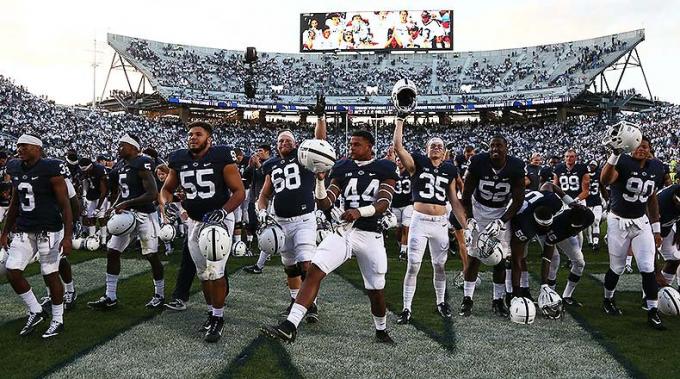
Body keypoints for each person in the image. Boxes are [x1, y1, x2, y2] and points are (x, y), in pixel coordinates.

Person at [261, 129, 397, 344]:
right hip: (344, 230)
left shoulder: (385, 167)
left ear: (370, 146)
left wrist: (359, 212)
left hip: (370, 234)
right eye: (350, 143)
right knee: (314, 269)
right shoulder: (342, 167)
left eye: (357, 144)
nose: (351, 148)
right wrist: (320, 180)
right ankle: (290, 325)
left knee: (376, 289)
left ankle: (381, 329)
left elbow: (383, 202)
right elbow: (326, 202)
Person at [161, 121, 245, 342]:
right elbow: (166, 189)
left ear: (209, 139)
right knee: (203, 273)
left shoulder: (221, 156)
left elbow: (239, 192)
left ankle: (218, 318)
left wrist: (223, 211)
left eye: (198, 134)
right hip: (196, 222)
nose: (192, 137)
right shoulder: (179, 159)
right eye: (190, 134)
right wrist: (166, 204)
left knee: (216, 270)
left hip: (219, 221)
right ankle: (211, 312)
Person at [253, 94, 327, 320]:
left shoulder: (304, 157)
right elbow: (264, 195)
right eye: (280, 141)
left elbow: (319, 142)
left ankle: (311, 304)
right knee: (290, 266)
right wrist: (262, 213)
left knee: (306, 263)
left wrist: (320, 117)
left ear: (295, 144)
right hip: (281, 221)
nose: (283, 143)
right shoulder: (271, 164)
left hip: (304, 218)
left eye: (287, 140)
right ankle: (296, 301)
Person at [393, 115, 467, 324]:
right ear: (427, 149)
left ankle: (441, 302)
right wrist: (400, 120)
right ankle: (407, 308)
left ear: (444, 152)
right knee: (413, 264)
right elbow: (398, 147)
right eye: (432, 145)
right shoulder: (418, 163)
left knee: (439, 265)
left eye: (439, 146)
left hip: (440, 222)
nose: (435, 148)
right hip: (420, 220)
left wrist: (466, 225)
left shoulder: (450, 168)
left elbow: (454, 199)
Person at [1, 134, 73, 338]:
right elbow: (15, 202)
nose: (19, 148)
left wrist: (68, 236)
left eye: (24, 145)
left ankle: (58, 319)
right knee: (12, 270)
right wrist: (5, 231)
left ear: (37, 148)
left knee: (50, 274)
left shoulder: (51, 168)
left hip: (49, 230)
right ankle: (36, 310)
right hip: (25, 228)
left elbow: (65, 205)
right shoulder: (14, 167)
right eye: (18, 145)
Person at [88, 134, 165, 310]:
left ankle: (159, 294)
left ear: (133, 147)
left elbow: (152, 193)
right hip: (127, 214)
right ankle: (110, 296)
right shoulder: (120, 165)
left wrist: (126, 204)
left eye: (122, 145)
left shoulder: (142, 162)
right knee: (112, 251)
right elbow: (122, 192)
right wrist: (113, 207)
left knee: (151, 255)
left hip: (145, 214)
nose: (118, 148)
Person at [600, 136, 666, 330]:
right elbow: (604, 180)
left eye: (645, 147)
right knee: (617, 267)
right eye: (637, 146)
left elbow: (652, 198)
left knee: (647, 266)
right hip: (618, 220)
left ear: (650, 150)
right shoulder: (622, 161)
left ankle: (653, 312)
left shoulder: (656, 167)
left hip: (641, 221)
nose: (641, 149)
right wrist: (613, 155)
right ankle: (608, 300)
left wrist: (656, 229)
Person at [460, 135, 525, 317]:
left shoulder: (516, 166)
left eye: (499, 146)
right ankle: (467, 299)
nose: (495, 149)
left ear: (507, 148)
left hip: (501, 211)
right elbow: (466, 195)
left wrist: (501, 221)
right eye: (492, 146)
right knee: (474, 257)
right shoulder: (478, 162)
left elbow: (518, 200)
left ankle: (497, 300)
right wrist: (471, 219)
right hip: (479, 210)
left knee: (500, 259)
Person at [553, 149, 590, 251]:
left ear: (576, 157)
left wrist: (575, 201)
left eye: (572, 156)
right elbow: (555, 187)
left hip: (578, 200)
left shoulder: (582, 168)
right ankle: (567, 250)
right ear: (564, 157)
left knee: (577, 228)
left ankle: (578, 251)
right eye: (567, 156)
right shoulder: (558, 168)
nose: (569, 158)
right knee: (563, 226)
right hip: (563, 201)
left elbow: (586, 191)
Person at [584, 160, 607, 252]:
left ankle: (595, 243)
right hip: (586, 201)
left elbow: (603, 188)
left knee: (596, 221)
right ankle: (590, 240)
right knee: (587, 224)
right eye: (590, 165)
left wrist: (607, 200)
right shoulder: (584, 175)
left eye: (593, 165)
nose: (592, 167)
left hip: (597, 201)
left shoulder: (599, 175)